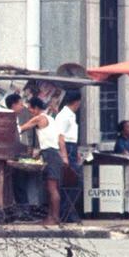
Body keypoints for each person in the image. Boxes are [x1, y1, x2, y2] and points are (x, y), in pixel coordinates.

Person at [19, 96, 67, 225]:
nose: (29, 111)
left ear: (36, 108)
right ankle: (51, 217)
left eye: (30, 108)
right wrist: (64, 157)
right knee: (51, 187)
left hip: (50, 154)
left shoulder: (39, 117)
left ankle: (55, 218)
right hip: (53, 154)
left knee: (52, 188)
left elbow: (21, 129)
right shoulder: (52, 119)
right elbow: (60, 140)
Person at [54, 89, 84, 222]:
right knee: (73, 182)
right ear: (77, 102)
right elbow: (60, 137)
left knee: (74, 182)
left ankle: (68, 212)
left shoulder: (71, 115)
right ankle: (66, 213)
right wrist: (65, 156)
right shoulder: (64, 115)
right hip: (67, 148)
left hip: (72, 147)